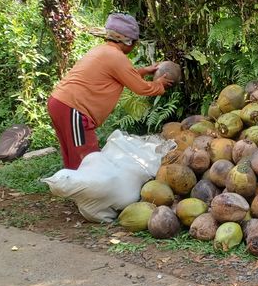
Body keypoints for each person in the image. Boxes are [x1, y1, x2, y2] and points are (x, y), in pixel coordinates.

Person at [47, 13, 174, 169]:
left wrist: (144, 71)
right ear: (127, 41)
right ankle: (88, 183)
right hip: (73, 108)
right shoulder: (116, 57)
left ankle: (74, 182)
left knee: (73, 156)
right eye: (135, 42)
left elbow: (122, 76)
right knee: (87, 160)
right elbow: (141, 88)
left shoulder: (104, 51)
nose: (135, 46)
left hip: (61, 103)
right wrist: (159, 84)